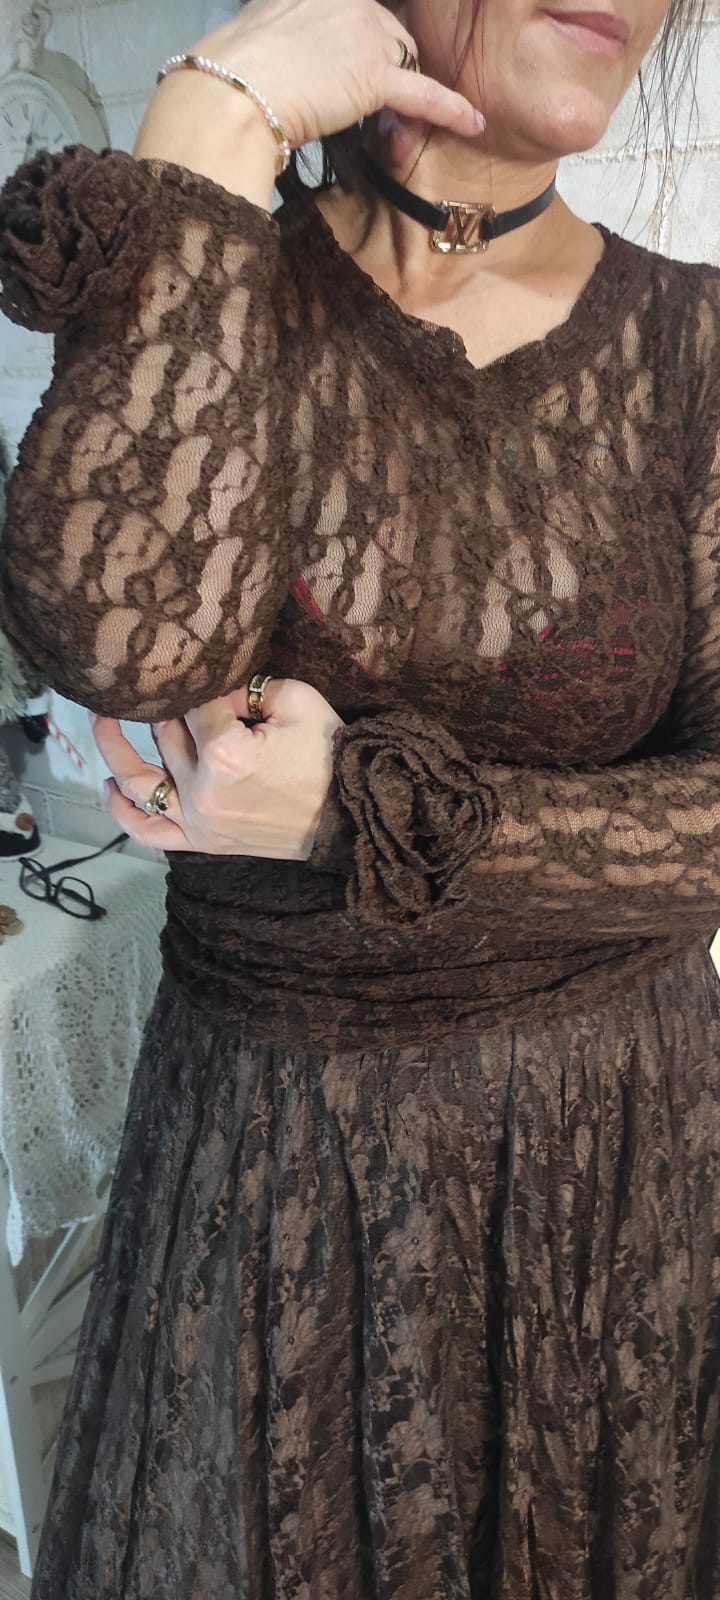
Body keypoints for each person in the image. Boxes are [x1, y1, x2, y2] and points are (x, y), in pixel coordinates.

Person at [0, 0, 718, 1592]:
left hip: (619, 1167)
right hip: (285, 1192)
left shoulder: (698, 344)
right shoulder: (216, 279)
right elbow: (119, 639)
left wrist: (353, 810)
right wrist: (215, 116)